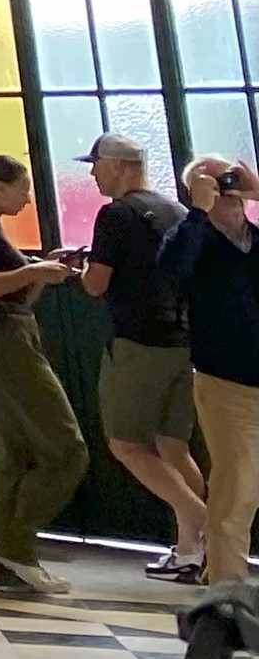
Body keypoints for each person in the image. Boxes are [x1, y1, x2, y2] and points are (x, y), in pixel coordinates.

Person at [0, 153, 88, 595]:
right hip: (1, 346)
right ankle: (14, 542)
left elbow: (15, 297)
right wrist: (33, 269)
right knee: (68, 448)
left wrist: (43, 273)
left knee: (17, 451)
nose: (28, 200)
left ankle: (10, 564)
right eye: (23, 191)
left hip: (9, 339)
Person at [82, 133, 212, 581]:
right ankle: (191, 552)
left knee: (127, 445)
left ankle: (204, 522)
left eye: (96, 163)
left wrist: (77, 272)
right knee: (173, 446)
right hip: (184, 344)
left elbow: (97, 283)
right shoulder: (178, 211)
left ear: (118, 165)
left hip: (138, 344)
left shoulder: (115, 215)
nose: (92, 173)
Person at [162, 157, 259, 584]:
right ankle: (226, 589)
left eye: (232, 179)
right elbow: (172, 271)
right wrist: (198, 213)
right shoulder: (193, 239)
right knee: (238, 488)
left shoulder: (255, 240)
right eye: (217, 182)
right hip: (228, 384)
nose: (229, 188)